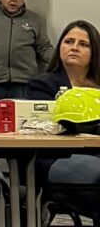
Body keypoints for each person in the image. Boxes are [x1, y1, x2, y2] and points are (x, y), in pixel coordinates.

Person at [21, 18, 100, 204]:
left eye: (83, 44)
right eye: (69, 42)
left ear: (94, 52)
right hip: (56, 157)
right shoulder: (42, 85)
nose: (74, 48)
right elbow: (47, 129)